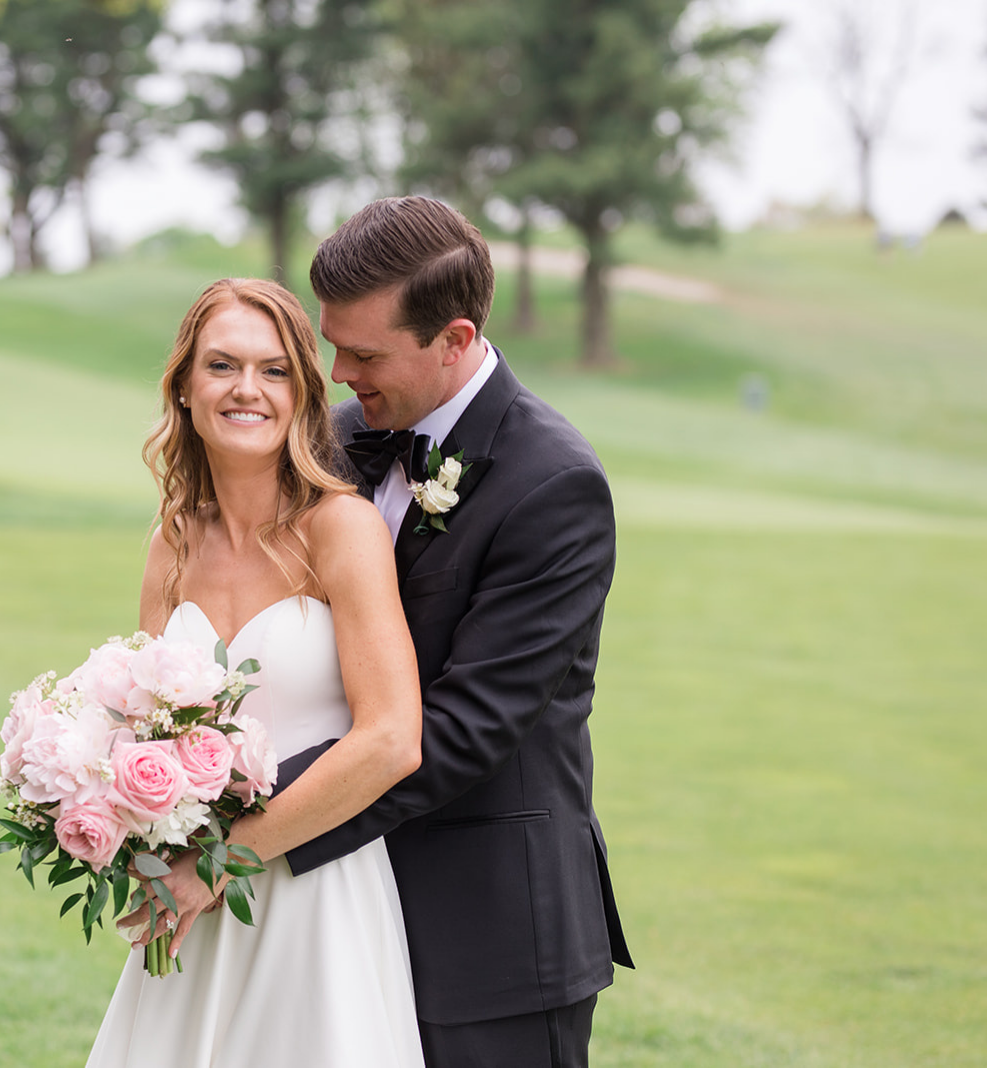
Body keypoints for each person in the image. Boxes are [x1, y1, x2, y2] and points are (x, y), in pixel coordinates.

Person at [275, 196, 635, 1067]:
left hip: (495, 937)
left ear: (457, 338)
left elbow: (466, 728)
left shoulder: (553, 486)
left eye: (363, 353)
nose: (335, 371)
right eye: (331, 343)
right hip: (344, 919)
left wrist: (247, 815)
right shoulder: (339, 438)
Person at [85, 278, 429, 1068]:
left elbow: (390, 740)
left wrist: (223, 863)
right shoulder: (172, 540)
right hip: (190, 902)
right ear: (184, 386)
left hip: (317, 897)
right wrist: (135, 845)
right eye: (223, 366)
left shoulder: (342, 528)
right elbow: (140, 730)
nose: (248, 389)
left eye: (274, 370)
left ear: (303, 392)